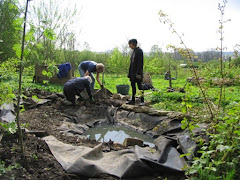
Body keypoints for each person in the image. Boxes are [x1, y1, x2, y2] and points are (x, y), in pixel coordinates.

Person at [126, 39, 144, 106]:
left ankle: (142, 101)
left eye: (129, 44)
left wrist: (138, 73)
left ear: (133, 44)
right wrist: (129, 73)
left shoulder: (139, 51)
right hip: (132, 73)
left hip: (137, 73)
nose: (129, 46)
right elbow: (131, 63)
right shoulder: (133, 52)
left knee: (140, 87)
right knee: (133, 86)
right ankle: (133, 100)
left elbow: (140, 63)